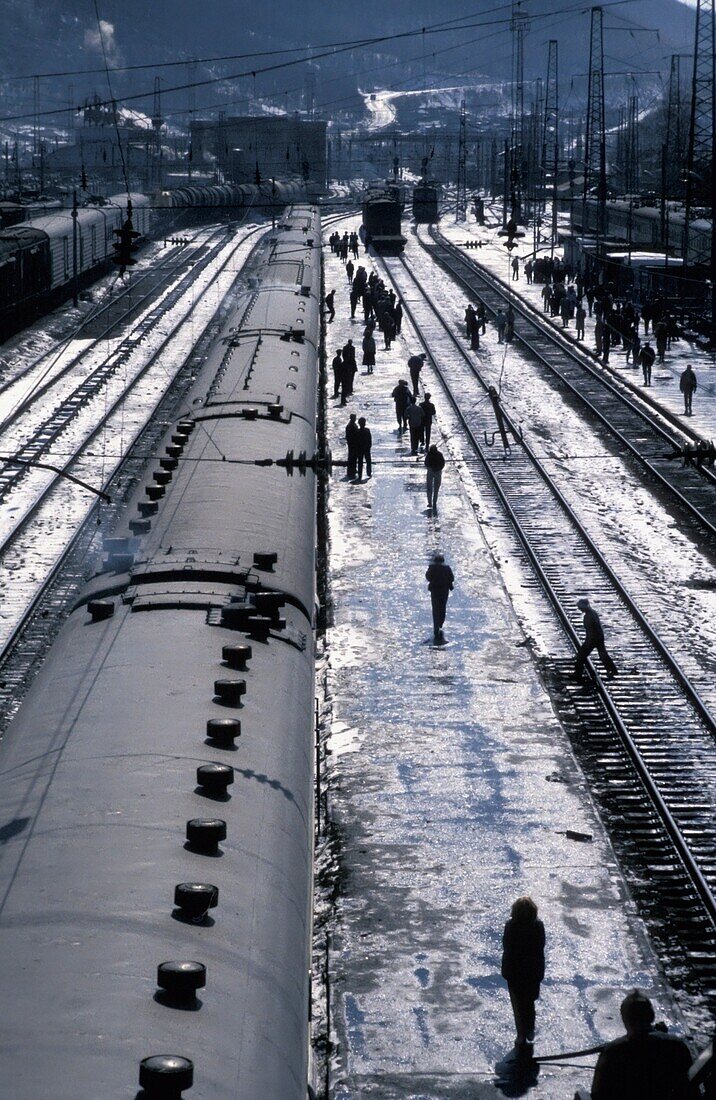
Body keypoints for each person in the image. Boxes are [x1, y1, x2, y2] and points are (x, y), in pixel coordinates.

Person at [589, 990, 698, 1100]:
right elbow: (689, 1090)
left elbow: (597, 1094)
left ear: (625, 1019)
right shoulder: (677, 1046)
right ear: (651, 1016)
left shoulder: (612, 1051)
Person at [501, 896, 545, 1051]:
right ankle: (530, 1029)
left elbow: (507, 946)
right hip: (533, 971)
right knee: (529, 1002)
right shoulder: (538, 926)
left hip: (514, 971)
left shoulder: (511, 926)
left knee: (518, 1003)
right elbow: (540, 947)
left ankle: (521, 1033)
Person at [574, 597, 618, 679]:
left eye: (580, 608)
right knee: (603, 654)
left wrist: (588, 642)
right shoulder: (593, 613)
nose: (579, 609)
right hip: (599, 637)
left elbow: (590, 631)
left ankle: (578, 673)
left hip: (593, 639)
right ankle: (612, 670)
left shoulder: (588, 616)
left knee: (581, 654)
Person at [425, 552, 454, 642]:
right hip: (444, 591)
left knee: (435, 608)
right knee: (443, 606)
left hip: (435, 591)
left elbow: (428, 577)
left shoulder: (432, 568)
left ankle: (436, 626)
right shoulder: (447, 568)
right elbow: (452, 578)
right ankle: (441, 622)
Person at [424, 444, 445, 511]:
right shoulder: (440, 454)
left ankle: (429, 502)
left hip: (430, 471)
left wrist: (430, 467)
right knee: (436, 488)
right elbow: (442, 463)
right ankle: (434, 501)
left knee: (429, 488)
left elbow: (426, 463)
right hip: (438, 472)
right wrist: (438, 469)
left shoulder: (429, 455)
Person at [345, 413, 360, 479]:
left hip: (352, 443)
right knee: (352, 457)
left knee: (352, 457)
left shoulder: (351, 425)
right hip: (353, 444)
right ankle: (351, 471)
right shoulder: (351, 426)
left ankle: (352, 470)